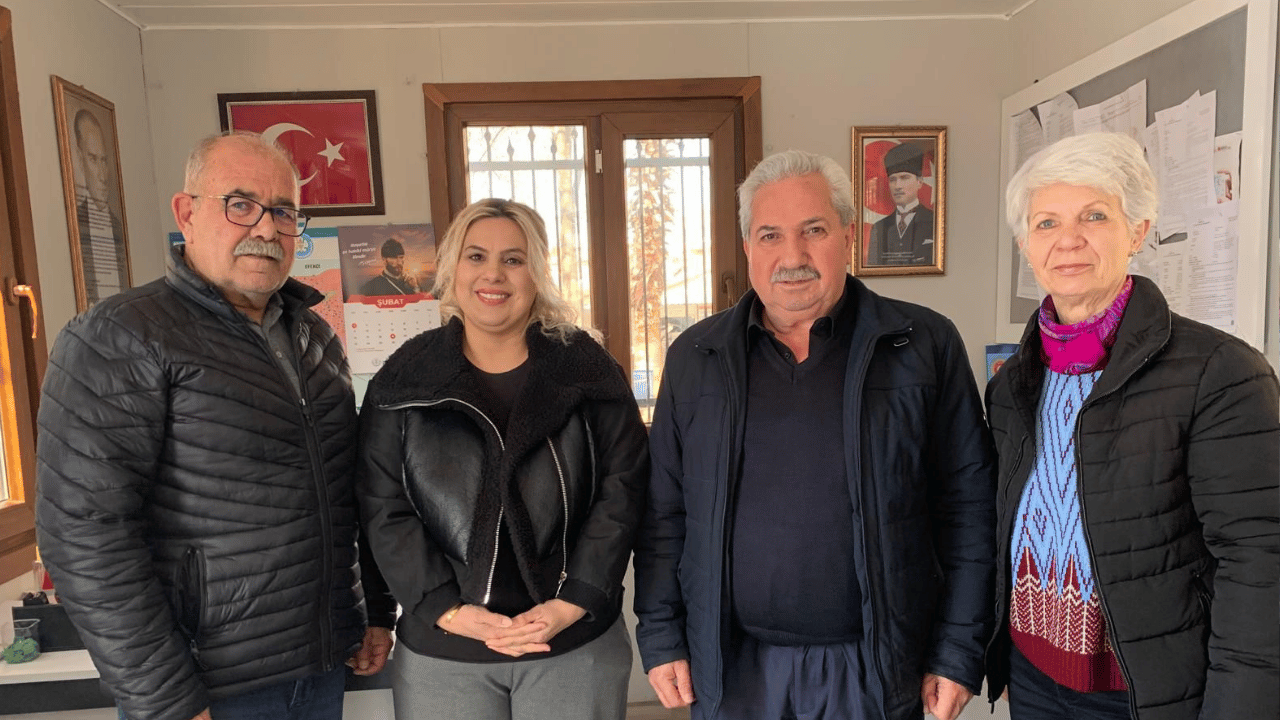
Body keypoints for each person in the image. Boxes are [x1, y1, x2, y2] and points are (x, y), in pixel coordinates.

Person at [36, 131, 396, 720]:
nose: (266, 228)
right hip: (207, 688)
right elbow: (83, 532)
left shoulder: (315, 339)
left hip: (320, 671)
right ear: (187, 213)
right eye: (240, 204)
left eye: (283, 211)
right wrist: (165, 699)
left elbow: (352, 495)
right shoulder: (121, 336)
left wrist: (373, 611)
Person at [633, 150, 996, 720]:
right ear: (748, 246)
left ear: (849, 235)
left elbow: (969, 507)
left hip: (872, 668)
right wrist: (660, 634)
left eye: (814, 231)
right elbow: (664, 514)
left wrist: (957, 650)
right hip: (734, 666)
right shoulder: (695, 356)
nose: (792, 256)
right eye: (770, 235)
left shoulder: (922, 344)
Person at [986, 132, 1279, 719]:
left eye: (1095, 215)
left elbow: (1260, 558)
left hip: (1144, 692)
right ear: (1026, 245)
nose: (1068, 239)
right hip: (1034, 678)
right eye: (1046, 223)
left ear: (1137, 231)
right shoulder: (1013, 382)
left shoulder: (1220, 372)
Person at [357, 198, 649, 720]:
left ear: (537, 273)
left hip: (573, 643)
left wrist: (572, 602)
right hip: (444, 651)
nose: (493, 274)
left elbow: (622, 492)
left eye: (513, 259)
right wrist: (447, 610)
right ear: (452, 268)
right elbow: (383, 506)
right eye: (476, 256)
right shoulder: (404, 378)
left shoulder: (589, 370)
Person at [73, 108, 130, 303]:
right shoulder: (75, 223)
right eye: (93, 159)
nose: (102, 174)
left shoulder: (118, 226)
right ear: (80, 160)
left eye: (104, 160)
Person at [866, 142, 935, 266]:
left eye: (904, 178)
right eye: (893, 179)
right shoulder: (879, 227)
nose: (897, 186)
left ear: (919, 182)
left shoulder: (934, 222)